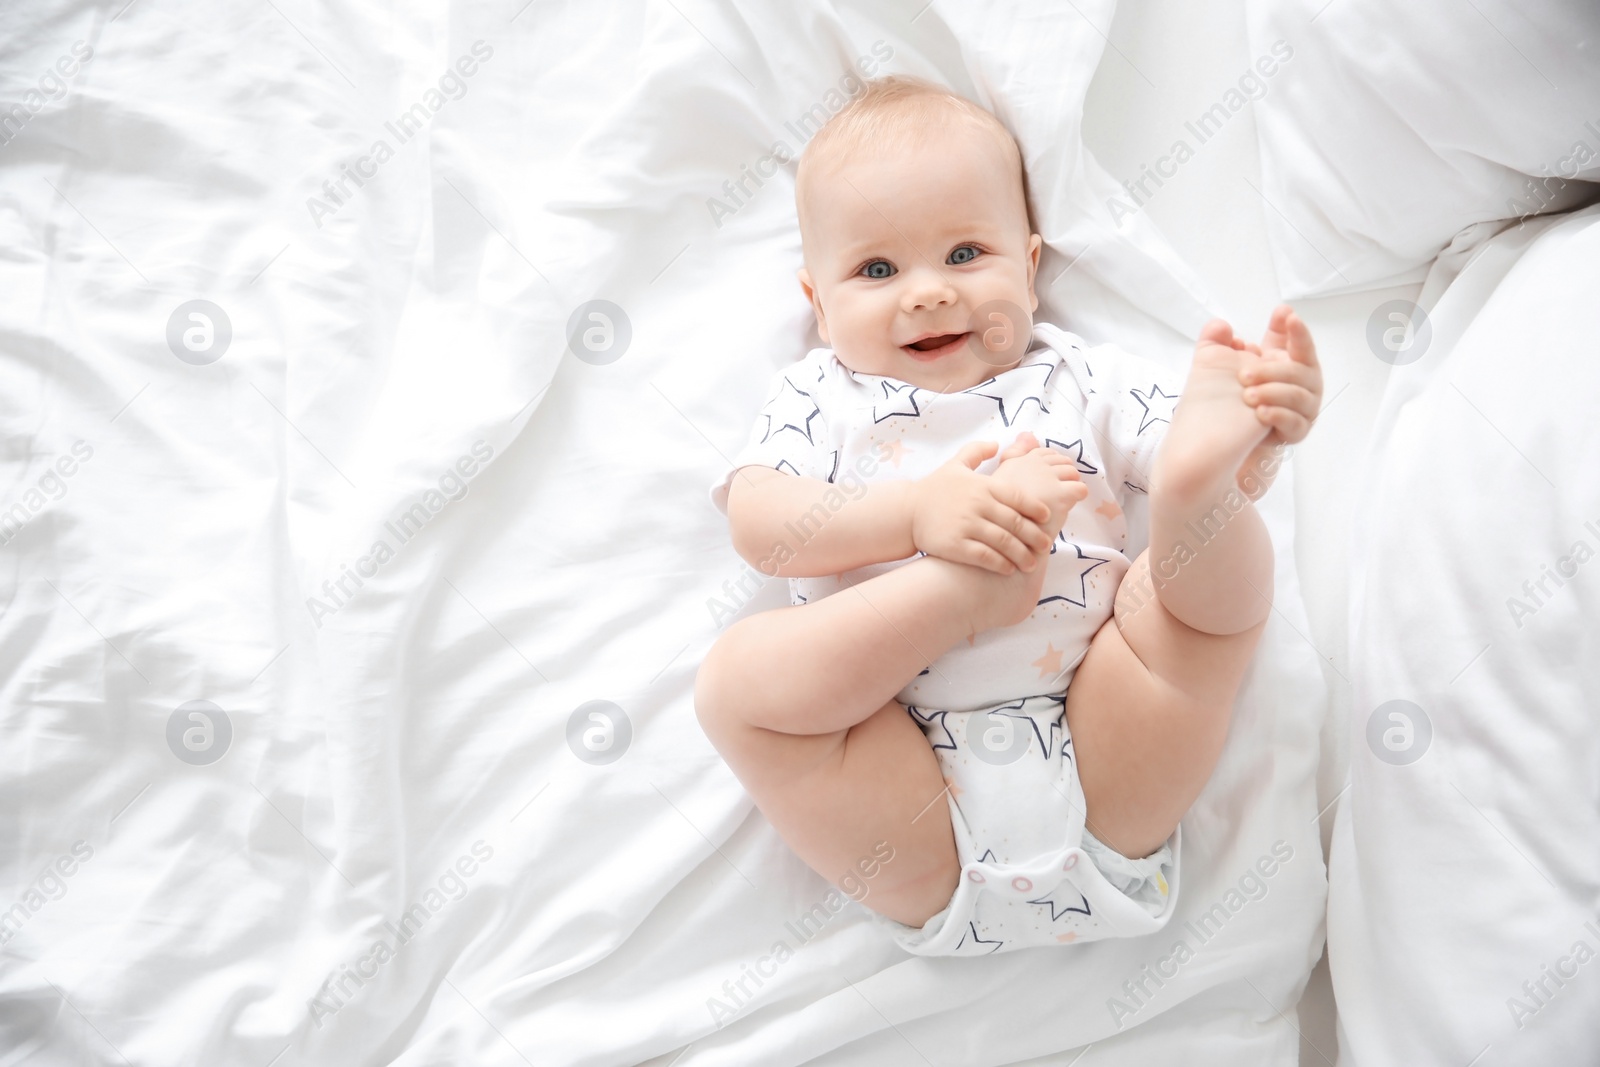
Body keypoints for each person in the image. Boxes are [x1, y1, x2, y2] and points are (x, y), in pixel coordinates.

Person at [695, 75, 1323, 956]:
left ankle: (1192, 490)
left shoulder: (1080, 377)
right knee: (738, 684)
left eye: (964, 255)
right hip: (907, 798)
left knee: (1186, 589)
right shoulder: (817, 398)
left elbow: (1220, 523)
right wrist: (918, 515)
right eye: (877, 270)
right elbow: (762, 524)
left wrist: (1254, 439)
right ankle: (958, 592)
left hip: (1104, 737)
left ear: (1029, 269)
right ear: (818, 302)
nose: (927, 293)